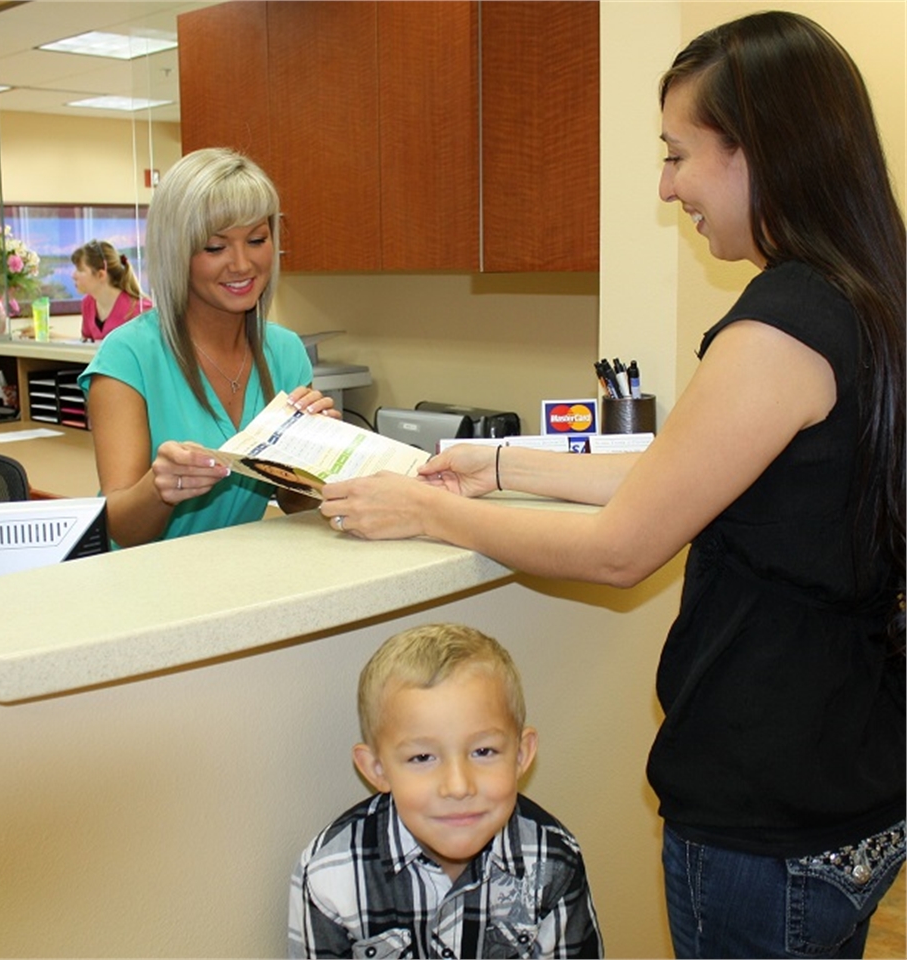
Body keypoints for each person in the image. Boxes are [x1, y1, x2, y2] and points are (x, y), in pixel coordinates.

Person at [318, 12, 906, 959]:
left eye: (679, 154)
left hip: (771, 803)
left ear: (760, 150)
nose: (668, 186)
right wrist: (497, 462)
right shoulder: (867, 297)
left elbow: (627, 547)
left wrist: (428, 509)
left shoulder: (782, 325)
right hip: (854, 777)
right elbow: (689, 471)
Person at [288, 623, 603, 959]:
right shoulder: (329, 875)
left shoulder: (553, 861)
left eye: (483, 751)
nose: (458, 786)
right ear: (377, 769)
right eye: (422, 757)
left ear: (522, 754)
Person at [78, 147, 338, 546]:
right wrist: (157, 489)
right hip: (138, 586)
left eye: (256, 239)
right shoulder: (128, 357)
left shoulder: (285, 353)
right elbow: (122, 531)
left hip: (230, 577)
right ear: (176, 252)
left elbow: (292, 504)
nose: (242, 264)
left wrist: (314, 457)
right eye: (215, 248)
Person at [71, 239, 152, 341]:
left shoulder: (141, 310)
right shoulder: (88, 304)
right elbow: (87, 345)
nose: (73, 275)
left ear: (101, 274)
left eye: (80, 270)